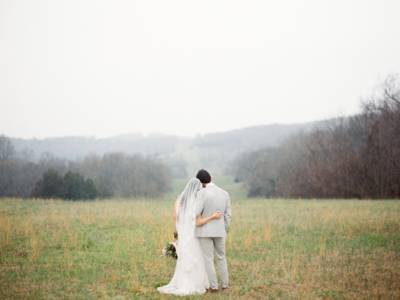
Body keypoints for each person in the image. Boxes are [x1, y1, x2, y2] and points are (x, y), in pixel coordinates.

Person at [157, 178, 223, 296]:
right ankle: (197, 283)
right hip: (194, 235)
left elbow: (175, 217)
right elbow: (198, 223)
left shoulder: (179, 200)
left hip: (183, 234)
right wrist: (212, 217)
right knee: (198, 258)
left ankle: (182, 283)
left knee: (185, 258)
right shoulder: (197, 202)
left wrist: (177, 231)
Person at [195, 169, 232, 292]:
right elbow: (228, 215)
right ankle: (225, 284)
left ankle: (214, 286)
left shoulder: (202, 193)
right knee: (221, 257)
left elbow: (196, 212)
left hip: (204, 231)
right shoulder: (224, 193)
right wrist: (224, 229)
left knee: (208, 259)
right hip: (220, 230)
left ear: (200, 182)